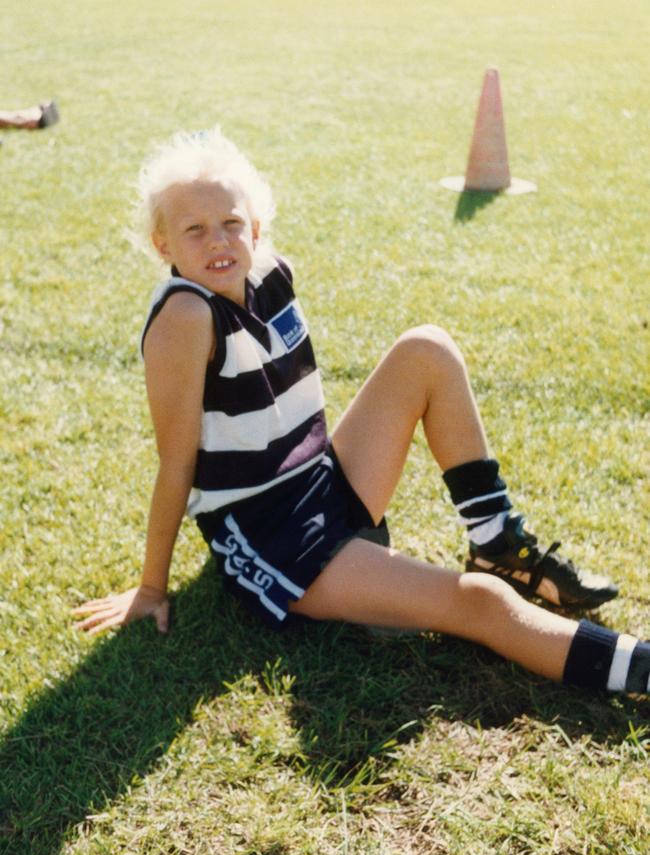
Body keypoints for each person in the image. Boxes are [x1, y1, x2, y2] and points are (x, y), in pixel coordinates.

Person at [72, 128, 648, 697]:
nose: (217, 243)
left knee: (426, 349)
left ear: (256, 227)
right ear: (163, 245)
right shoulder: (185, 318)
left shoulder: (270, 273)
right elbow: (175, 464)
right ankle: (639, 670)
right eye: (193, 231)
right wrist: (151, 588)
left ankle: (495, 541)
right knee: (479, 603)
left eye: (230, 224)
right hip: (270, 533)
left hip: (322, 480)